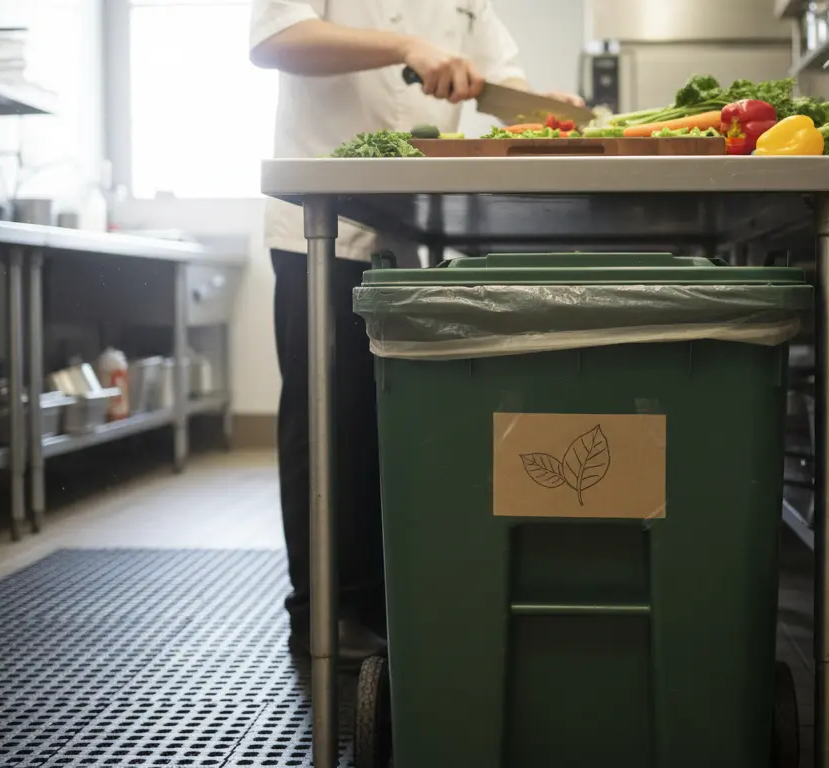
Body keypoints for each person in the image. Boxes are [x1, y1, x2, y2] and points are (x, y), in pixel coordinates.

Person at [248, 0, 583, 662]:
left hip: (406, 235)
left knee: (385, 427)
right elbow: (276, 39)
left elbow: (495, 80)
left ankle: (377, 604)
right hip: (322, 227)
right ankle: (321, 613)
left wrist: (547, 106)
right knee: (327, 423)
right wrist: (404, 49)